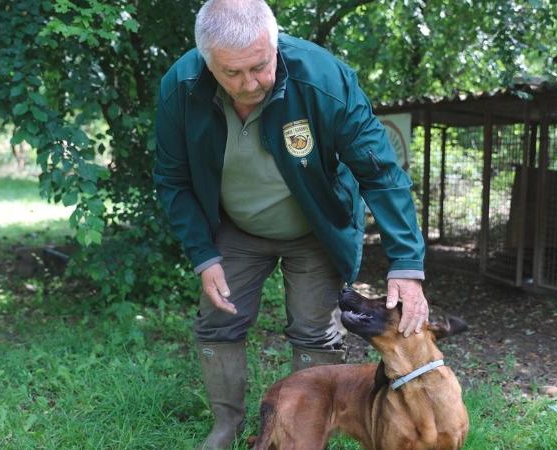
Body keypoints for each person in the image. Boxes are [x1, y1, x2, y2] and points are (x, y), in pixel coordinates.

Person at [153, 0, 429, 448]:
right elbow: (173, 178)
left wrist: (406, 264)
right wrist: (204, 256)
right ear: (206, 61)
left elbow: (380, 171)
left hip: (317, 228)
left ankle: (309, 429)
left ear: (274, 42)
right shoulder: (179, 88)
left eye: (260, 67)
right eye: (232, 73)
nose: (250, 84)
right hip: (236, 227)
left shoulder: (324, 79)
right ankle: (226, 425)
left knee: (314, 329)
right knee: (217, 320)